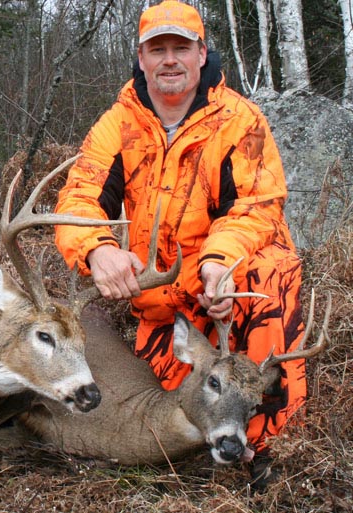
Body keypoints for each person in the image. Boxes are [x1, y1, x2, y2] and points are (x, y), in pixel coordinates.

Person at [54, 0, 304, 484]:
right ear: (141, 58)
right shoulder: (118, 125)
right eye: (158, 49)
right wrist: (98, 248)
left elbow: (257, 204)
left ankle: (266, 444)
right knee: (176, 398)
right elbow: (79, 195)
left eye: (181, 48)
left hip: (225, 283)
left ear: (201, 54)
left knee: (272, 272)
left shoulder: (239, 121)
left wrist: (219, 264)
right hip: (163, 300)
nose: (170, 59)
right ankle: (217, 426)